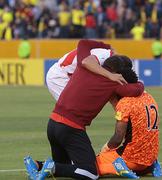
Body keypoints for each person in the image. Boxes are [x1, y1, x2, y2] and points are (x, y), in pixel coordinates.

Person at [24, 40, 144, 180]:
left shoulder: (82, 67)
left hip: (52, 126)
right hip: (70, 129)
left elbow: (82, 44)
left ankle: (38, 165)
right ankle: (53, 166)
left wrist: (106, 45)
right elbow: (136, 89)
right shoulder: (113, 82)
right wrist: (139, 83)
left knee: (65, 167)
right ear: (119, 73)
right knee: (91, 173)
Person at [96, 86, 162, 178]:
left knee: (90, 167)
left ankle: (117, 168)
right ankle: (150, 167)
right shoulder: (148, 96)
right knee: (136, 163)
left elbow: (117, 138)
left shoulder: (125, 102)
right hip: (149, 158)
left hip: (131, 157)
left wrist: (105, 148)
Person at [46, 41, 126, 101]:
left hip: (69, 75)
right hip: (59, 76)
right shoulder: (104, 55)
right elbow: (86, 62)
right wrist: (110, 75)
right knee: (72, 108)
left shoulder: (108, 57)